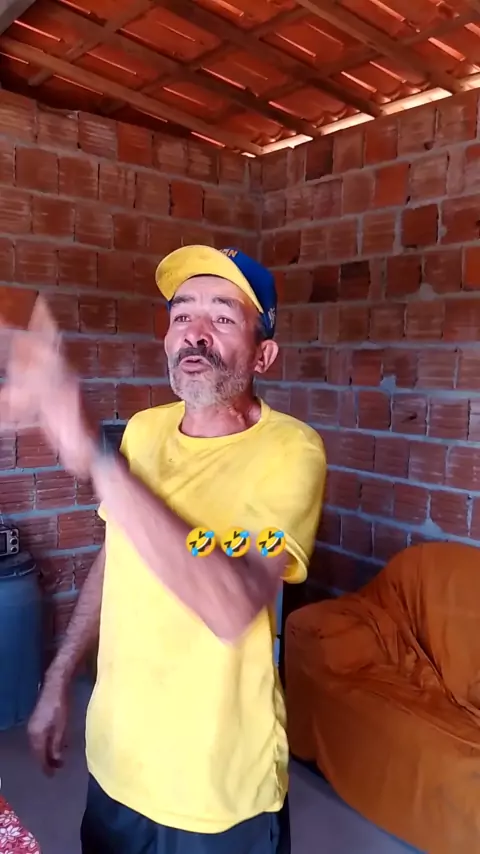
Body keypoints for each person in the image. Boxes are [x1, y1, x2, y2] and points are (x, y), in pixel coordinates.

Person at [1, 245, 326, 854]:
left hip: (218, 791)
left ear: (264, 354)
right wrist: (59, 674)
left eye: (223, 316)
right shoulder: (144, 431)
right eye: (182, 314)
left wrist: (97, 459)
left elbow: (232, 606)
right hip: (117, 765)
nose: (194, 334)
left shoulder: (292, 451)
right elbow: (117, 556)